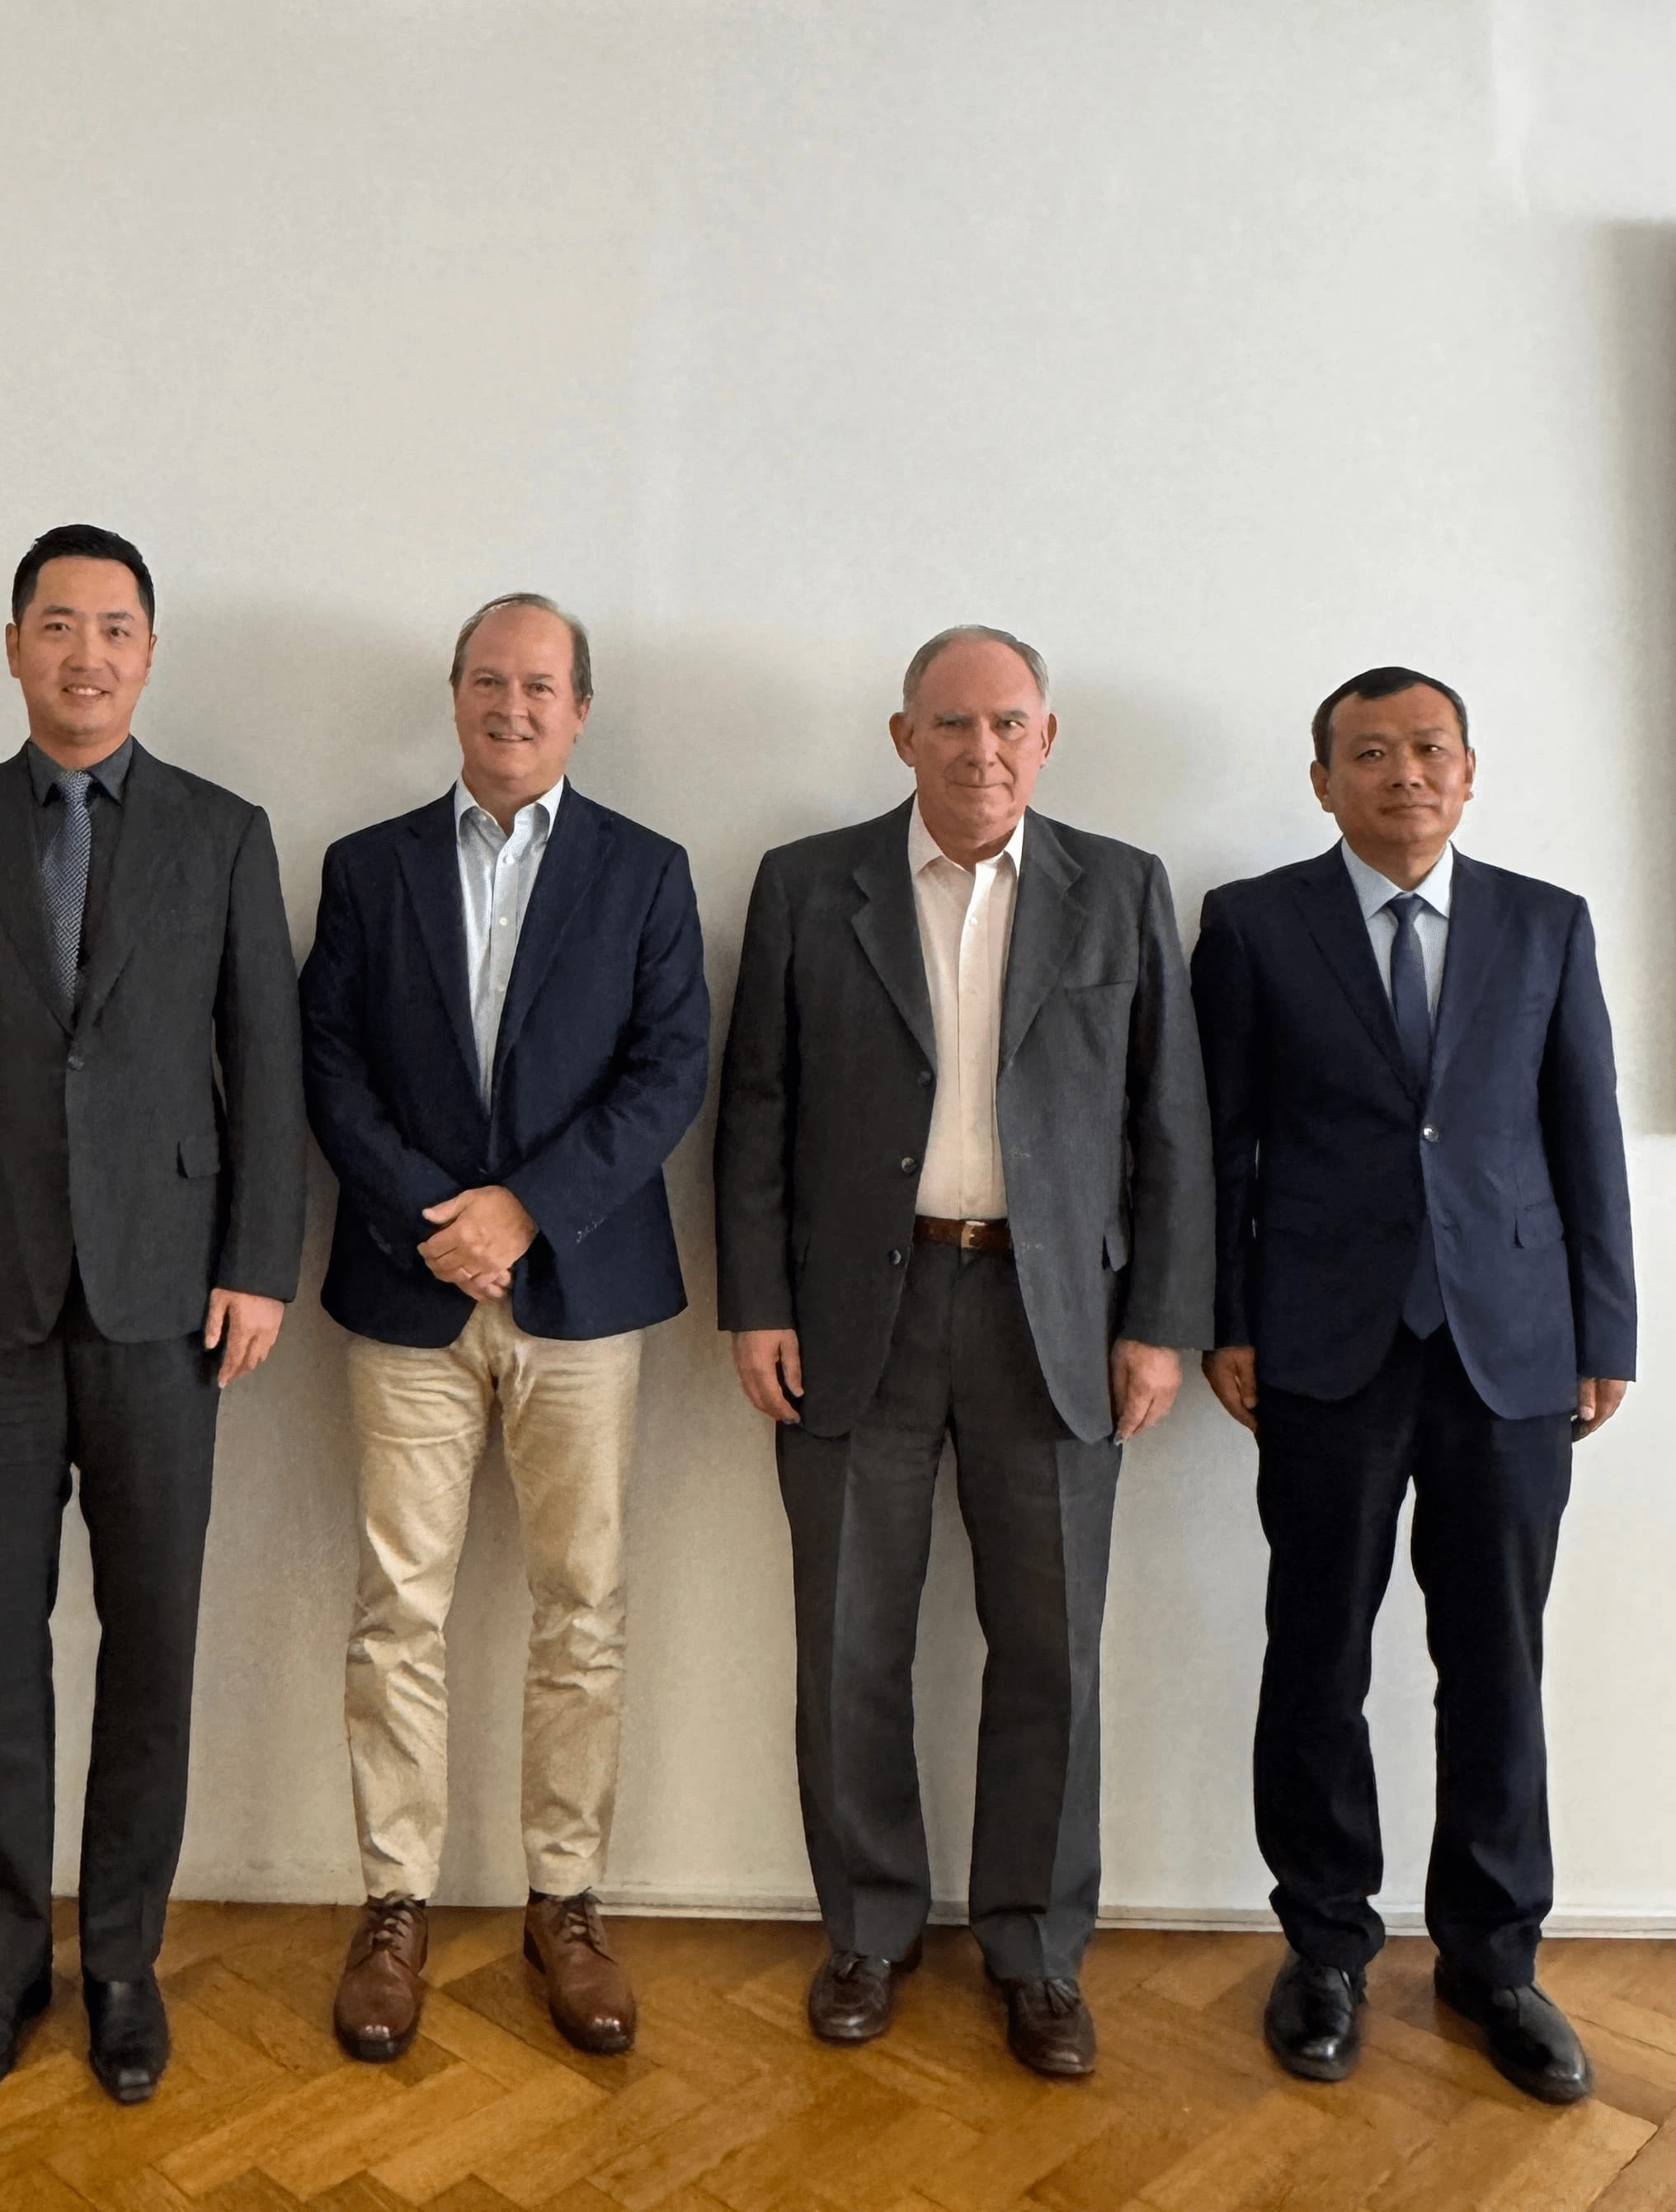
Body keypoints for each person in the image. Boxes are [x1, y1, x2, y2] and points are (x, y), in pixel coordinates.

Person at [0, 523, 304, 2109]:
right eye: (57, 624)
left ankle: (120, 1963)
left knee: (153, 1642)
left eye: (113, 628)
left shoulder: (225, 832)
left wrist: (258, 1259)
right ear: (14, 646)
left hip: (171, 1299)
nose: (85, 654)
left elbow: (266, 1060)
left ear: (149, 653)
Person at [714, 624, 1212, 2078]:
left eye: (1007, 724)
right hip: (854, 1311)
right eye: (951, 723)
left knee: (1051, 1649)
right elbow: (757, 1108)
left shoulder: (1121, 888)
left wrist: (1159, 1323)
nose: (980, 749)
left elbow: (1170, 1123)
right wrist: (757, 1300)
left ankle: (1037, 1950)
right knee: (850, 1642)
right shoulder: (810, 884)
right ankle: (869, 1928)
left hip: (1054, 1320)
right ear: (903, 736)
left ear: (1046, 738)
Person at [1192, 666, 1633, 2106]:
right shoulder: (1253, 923)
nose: (1405, 773)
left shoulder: (1546, 923)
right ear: (1324, 781)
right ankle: (1325, 1944)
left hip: (1513, 1344)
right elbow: (1224, 1141)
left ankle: (1494, 1959)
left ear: (1469, 768)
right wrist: (1224, 1317)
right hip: (1323, 1338)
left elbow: (1584, 1133)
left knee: (1498, 1655)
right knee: (1317, 1646)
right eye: (1370, 752)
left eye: (1429, 747)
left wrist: (1606, 1330)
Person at [299, 593, 709, 2061]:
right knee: (396, 1608)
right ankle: (394, 1901)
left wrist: (526, 1210)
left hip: (582, 1293)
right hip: (409, 1286)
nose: (513, 705)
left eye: (541, 685)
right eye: (490, 679)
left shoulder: (646, 870)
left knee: (581, 1605)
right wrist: (444, 1216)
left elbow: (669, 1072)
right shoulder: (369, 867)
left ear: (580, 707)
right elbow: (329, 1065)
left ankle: (565, 1899)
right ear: (455, 693)